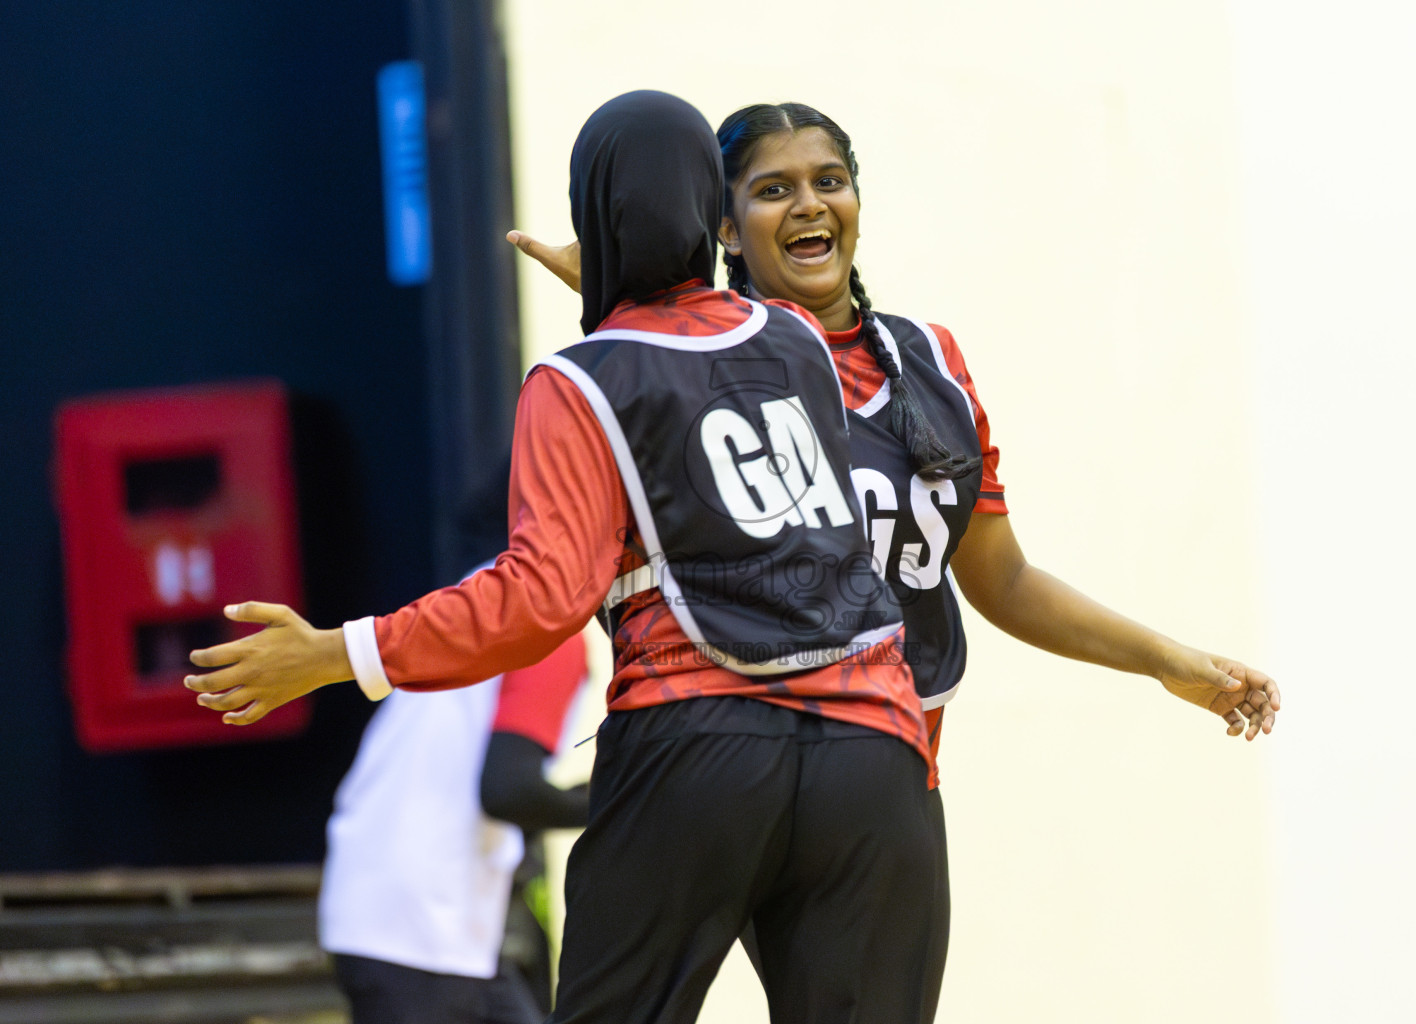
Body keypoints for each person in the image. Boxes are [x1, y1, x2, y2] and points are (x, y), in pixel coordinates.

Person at [185, 90, 952, 1024]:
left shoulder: (579, 378)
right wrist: (626, 287)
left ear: (595, 208)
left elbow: (541, 599)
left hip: (698, 741)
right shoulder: (795, 340)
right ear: (710, 213)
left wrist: (336, 653)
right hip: (876, 749)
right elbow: (709, 356)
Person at [506, 99, 1281, 1024]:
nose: (808, 206)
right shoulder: (709, 362)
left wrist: (1168, 662)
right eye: (771, 189)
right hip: (736, 740)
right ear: (719, 225)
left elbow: (1002, 580)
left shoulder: (930, 360)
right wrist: (625, 299)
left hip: (877, 760)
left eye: (828, 182)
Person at [320, 623, 589, 1024]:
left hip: (419, 916)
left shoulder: (482, 598)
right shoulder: (550, 628)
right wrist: (618, 800)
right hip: (420, 925)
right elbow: (508, 790)